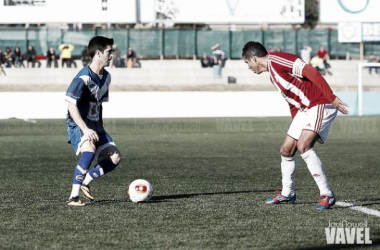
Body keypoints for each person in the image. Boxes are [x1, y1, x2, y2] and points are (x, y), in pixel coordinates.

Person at [242, 41, 349, 210]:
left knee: (303, 145)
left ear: (254, 58)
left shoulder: (278, 60)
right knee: (286, 149)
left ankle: (326, 194)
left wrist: (331, 97)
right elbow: (292, 102)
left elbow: (310, 71)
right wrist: (295, 123)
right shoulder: (273, 75)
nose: (248, 67)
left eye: (247, 62)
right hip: (305, 110)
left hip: (320, 103)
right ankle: (287, 193)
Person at [65, 36, 122, 206]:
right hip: (78, 124)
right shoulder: (82, 78)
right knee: (89, 150)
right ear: (98, 53)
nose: (111, 55)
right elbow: (70, 105)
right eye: (109, 52)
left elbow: (98, 105)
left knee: (115, 158)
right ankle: (73, 197)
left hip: (96, 126)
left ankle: (85, 181)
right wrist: (86, 129)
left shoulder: (107, 77)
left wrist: (98, 127)